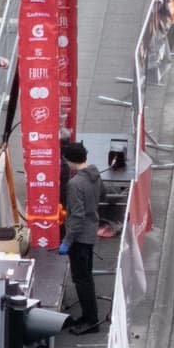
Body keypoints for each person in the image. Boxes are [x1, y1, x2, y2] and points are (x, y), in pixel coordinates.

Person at [62, 134, 109, 331]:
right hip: (91, 232)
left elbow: (77, 216)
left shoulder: (74, 184)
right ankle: (88, 316)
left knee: (81, 280)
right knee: (86, 276)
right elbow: (103, 194)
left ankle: (91, 320)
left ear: (71, 161)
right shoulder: (95, 174)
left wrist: (67, 240)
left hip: (80, 238)